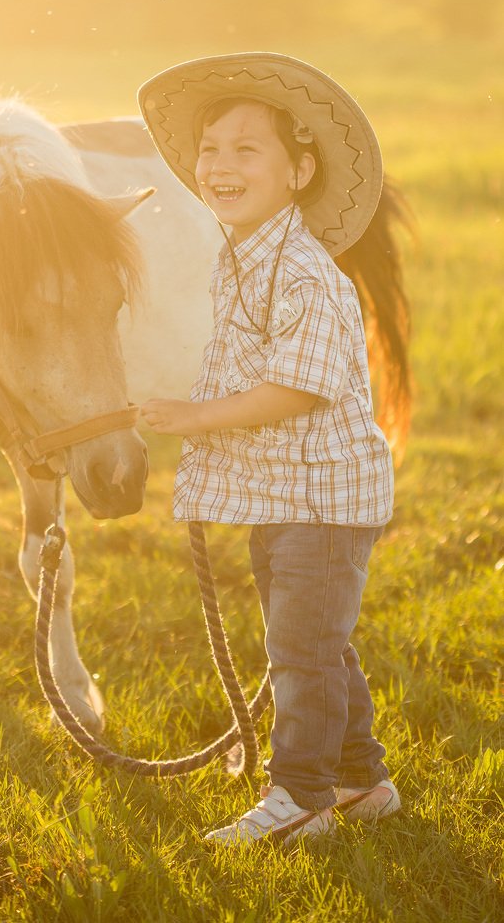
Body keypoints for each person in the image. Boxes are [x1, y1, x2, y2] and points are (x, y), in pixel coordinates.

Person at [137, 53, 402, 846]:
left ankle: (301, 797)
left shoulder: (306, 273)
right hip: (280, 494)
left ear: (300, 171)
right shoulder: (242, 257)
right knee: (317, 640)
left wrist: (195, 417)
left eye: (245, 149)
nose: (220, 164)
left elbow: (298, 389)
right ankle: (364, 779)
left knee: (301, 649)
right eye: (210, 148)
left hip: (321, 498)